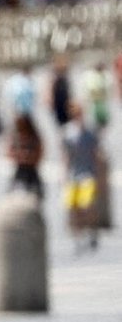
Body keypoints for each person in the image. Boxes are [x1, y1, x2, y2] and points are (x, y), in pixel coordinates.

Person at [62, 102, 100, 253]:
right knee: (73, 207)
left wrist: (98, 174)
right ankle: (77, 237)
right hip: (73, 174)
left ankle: (91, 231)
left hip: (87, 173)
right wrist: (64, 175)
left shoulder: (89, 132)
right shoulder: (67, 132)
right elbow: (65, 156)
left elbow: (95, 154)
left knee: (87, 205)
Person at [6, 115, 44, 200]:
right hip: (20, 169)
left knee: (35, 193)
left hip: (32, 170)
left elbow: (40, 152)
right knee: (14, 193)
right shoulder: (16, 138)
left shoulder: (34, 138)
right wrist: (20, 156)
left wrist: (29, 157)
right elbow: (9, 152)